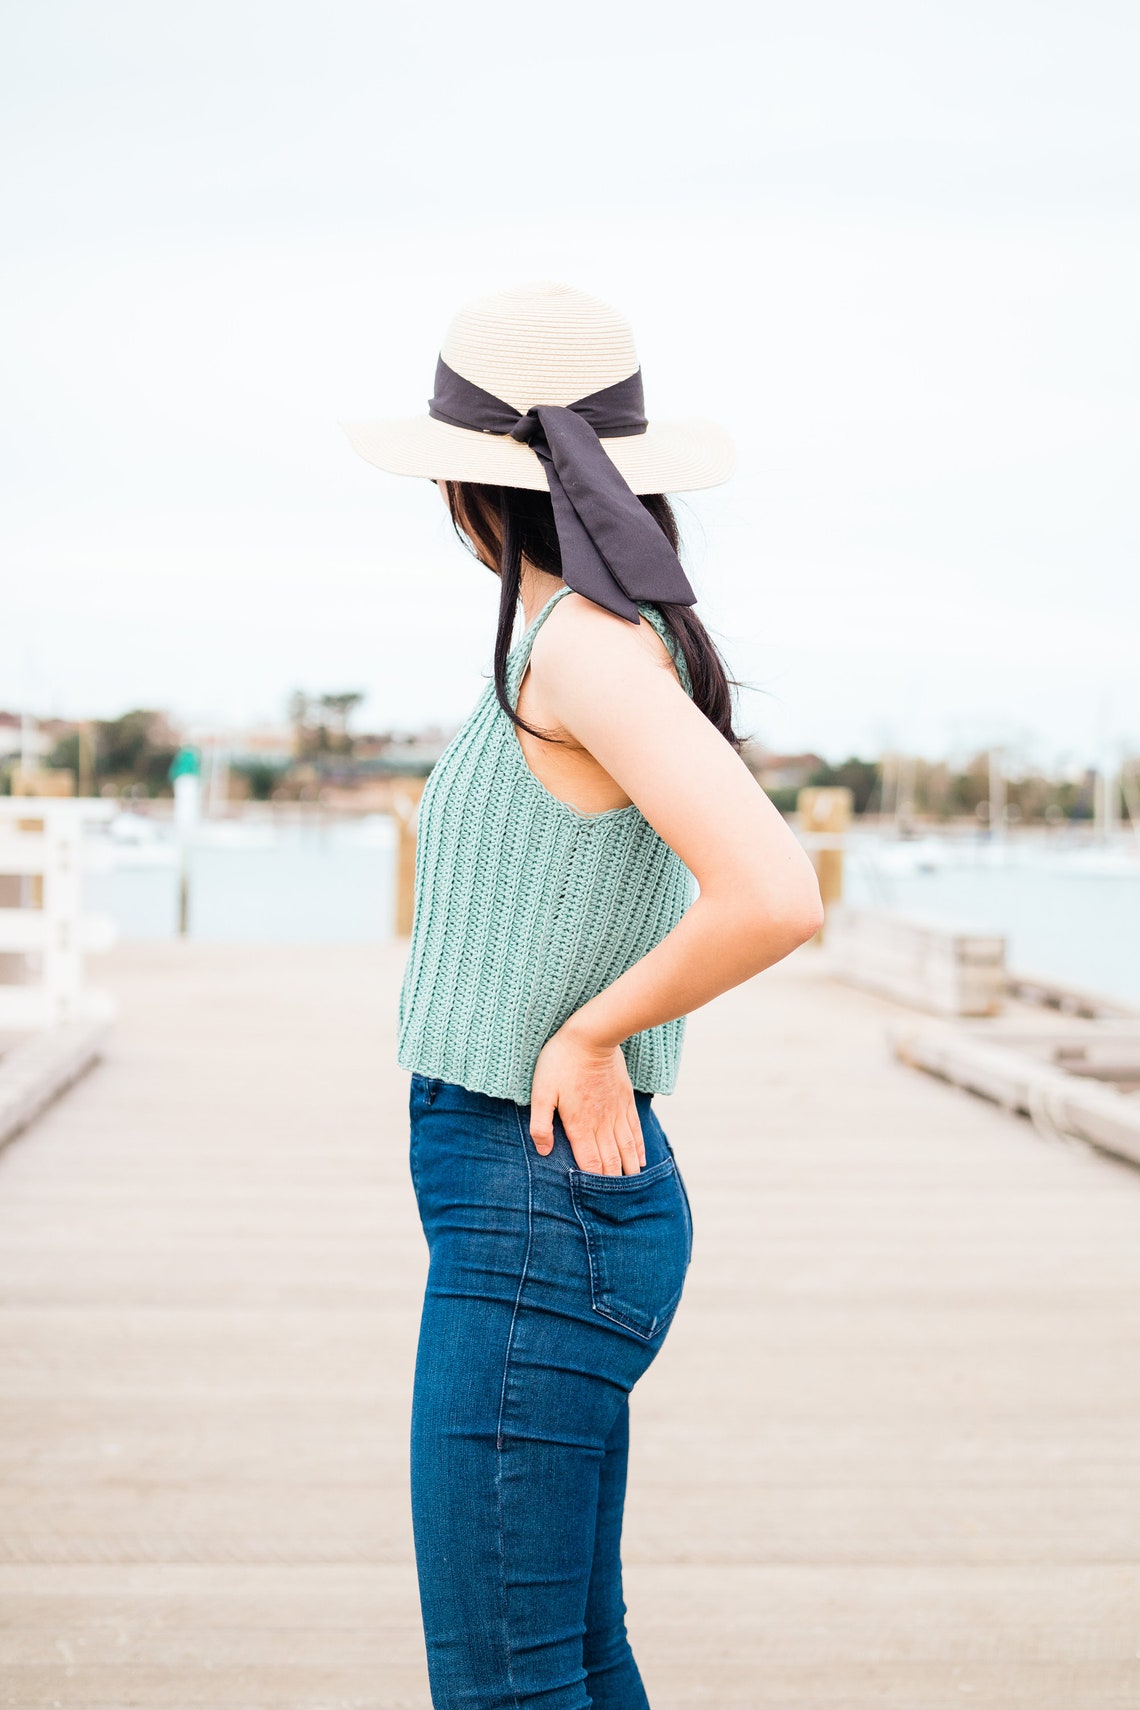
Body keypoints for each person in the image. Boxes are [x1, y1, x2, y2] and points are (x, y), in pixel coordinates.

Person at [344, 281, 823, 1709]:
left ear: (467, 488)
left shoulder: (577, 649)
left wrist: (590, 1025)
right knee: (568, 1659)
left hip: (536, 1198)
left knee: (505, 1682)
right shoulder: (602, 638)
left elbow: (777, 891)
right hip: (551, 1202)